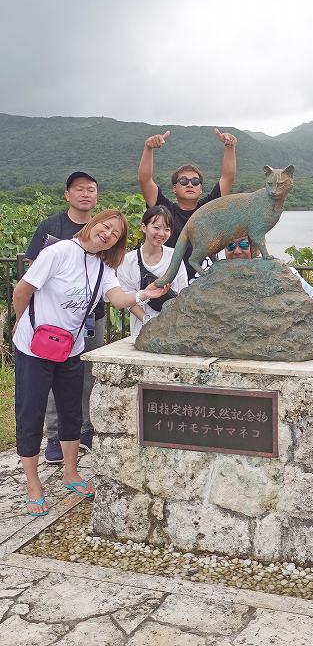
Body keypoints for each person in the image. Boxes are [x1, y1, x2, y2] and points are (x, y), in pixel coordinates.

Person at [12, 209, 172, 517]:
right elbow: (23, 290)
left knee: (72, 412)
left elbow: (117, 298)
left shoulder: (102, 267)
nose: (108, 234)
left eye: (115, 234)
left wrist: (144, 293)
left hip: (71, 349)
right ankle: (34, 485)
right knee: (30, 415)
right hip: (34, 348)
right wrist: (21, 322)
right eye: (106, 226)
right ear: (94, 222)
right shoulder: (58, 252)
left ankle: (70, 473)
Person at [25, 171, 104, 463]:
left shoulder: (102, 229)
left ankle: (83, 430)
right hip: (53, 321)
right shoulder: (51, 226)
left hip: (91, 318)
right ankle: (55, 436)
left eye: (91, 190)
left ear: (97, 196)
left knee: (86, 376)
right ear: (67, 195)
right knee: (50, 375)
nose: (86, 194)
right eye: (79, 189)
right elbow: (33, 271)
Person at [137, 126, 237, 281]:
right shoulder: (165, 209)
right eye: (183, 181)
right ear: (174, 188)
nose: (190, 184)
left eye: (195, 181)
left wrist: (229, 146)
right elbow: (145, 180)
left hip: (205, 280)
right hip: (171, 282)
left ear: (201, 189)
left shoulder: (209, 207)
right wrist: (148, 148)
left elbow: (228, 177)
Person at [117, 206, 189, 336]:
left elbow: (183, 293)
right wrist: (147, 320)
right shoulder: (128, 260)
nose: (161, 233)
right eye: (156, 227)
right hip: (140, 330)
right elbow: (127, 298)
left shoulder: (174, 257)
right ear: (144, 227)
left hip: (170, 328)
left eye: (167, 229)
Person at [224, 236, 313, 305]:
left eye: (244, 244)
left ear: (257, 246)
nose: (237, 251)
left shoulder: (283, 273)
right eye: (230, 245)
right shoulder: (214, 278)